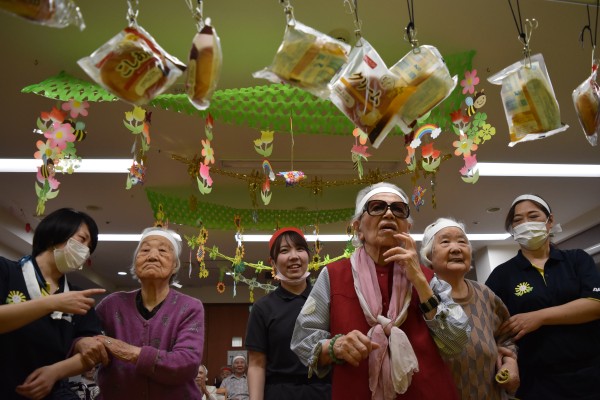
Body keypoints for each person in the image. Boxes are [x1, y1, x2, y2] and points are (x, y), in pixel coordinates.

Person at [291, 182, 471, 399]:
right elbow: (303, 338)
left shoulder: (428, 278)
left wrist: (420, 282)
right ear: (358, 228)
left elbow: (457, 341)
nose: (389, 214)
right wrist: (334, 346)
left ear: (407, 228)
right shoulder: (334, 275)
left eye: (398, 209)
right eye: (377, 207)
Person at [485, 194, 600, 400]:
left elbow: (595, 305)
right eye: (518, 220)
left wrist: (538, 317)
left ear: (550, 221)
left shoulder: (576, 260)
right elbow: (491, 327)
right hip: (536, 382)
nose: (525, 224)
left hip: (590, 375)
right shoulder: (502, 276)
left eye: (533, 216)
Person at [75, 227, 205, 400]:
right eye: (144, 250)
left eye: (162, 251)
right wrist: (81, 342)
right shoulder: (112, 304)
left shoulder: (189, 307)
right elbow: (81, 338)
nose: (152, 256)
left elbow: (186, 364)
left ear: (175, 266)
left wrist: (129, 352)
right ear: (135, 264)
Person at [0, 207, 105, 400]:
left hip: (52, 392)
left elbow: (93, 352)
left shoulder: (78, 297)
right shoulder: (6, 272)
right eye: (82, 239)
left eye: (89, 247)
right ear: (54, 234)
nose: (85, 251)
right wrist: (51, 303)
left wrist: (55, 372)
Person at [420, 217, 519, 399]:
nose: (456, 248)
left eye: (462, 242)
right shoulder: (421, 297)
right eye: (445, 242)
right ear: (429, 256)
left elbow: (507, 337)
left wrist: (510, 361)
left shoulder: (486, 294)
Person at [245, 227, 331, 400]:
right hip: (279, 393)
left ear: (308, 256)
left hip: (323, 392)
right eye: (284, 251)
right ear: (273, 262)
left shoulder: (327, 300)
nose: (294, 256)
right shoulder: (263, 308)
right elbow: (256, 365)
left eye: (300, 249)